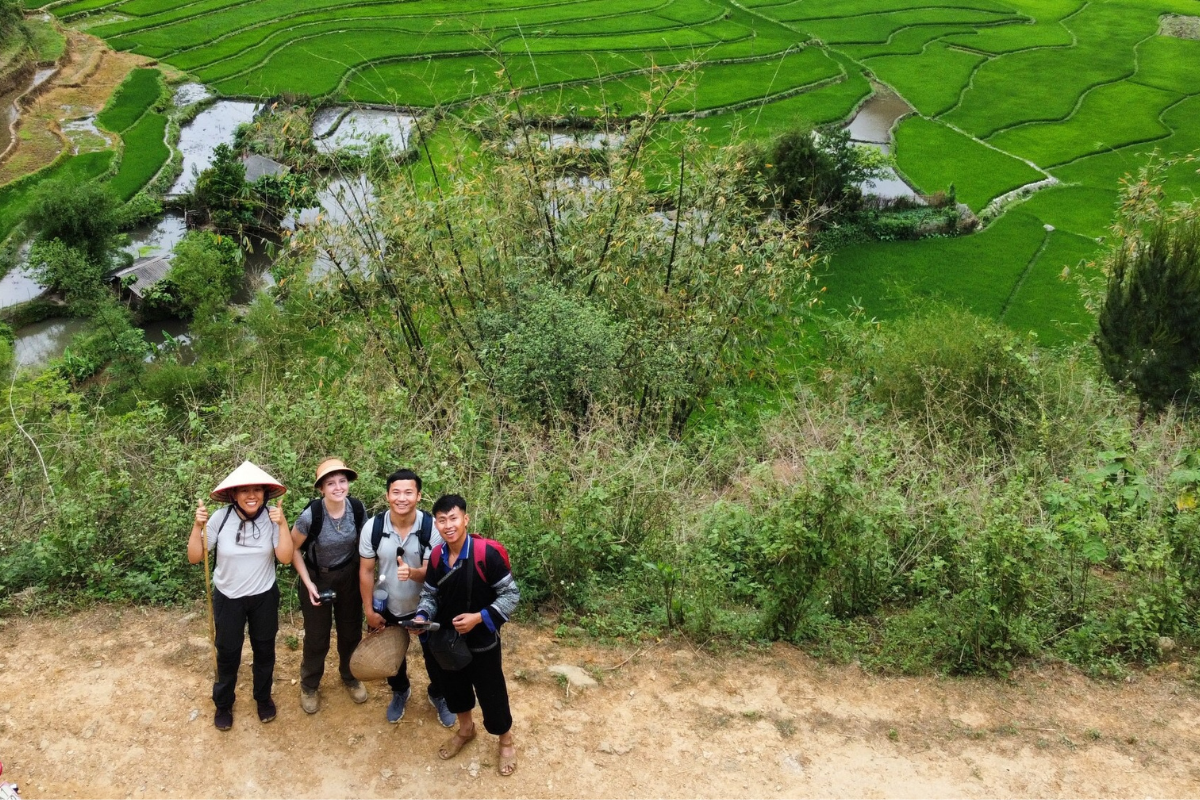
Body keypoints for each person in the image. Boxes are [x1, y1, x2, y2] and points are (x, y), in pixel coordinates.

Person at [414, 494, 520, 777]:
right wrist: (423, 615)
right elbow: (430, 594)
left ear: (465, 519)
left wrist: (479, 618)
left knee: (491, 691)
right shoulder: (437, 556)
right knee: (454, 687)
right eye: (442, 520)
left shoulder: (486, 554)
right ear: (436, 524)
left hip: (482, 640)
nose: (448, 525)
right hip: (447, 640)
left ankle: (506, 741)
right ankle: (466, 729)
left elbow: (511, 594)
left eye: (453, 518)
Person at [187, 460, 293, 731]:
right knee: (227, 652)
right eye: (244, 490)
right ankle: (223, 703)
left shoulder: (272, 517)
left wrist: (282, 525)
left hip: (264, 596)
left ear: (265, 493)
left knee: (264, 649)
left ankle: (263, 697)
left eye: (257, 489)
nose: (251, 495)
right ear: (233, 495)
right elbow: (195, 557)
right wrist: (198, 527)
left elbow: (285, 558)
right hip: (228, 597)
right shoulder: (220, 519)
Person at [358, 469, 455, 726]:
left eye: (409, 492)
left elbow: (431, 573)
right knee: (393, 657)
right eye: (396, 492)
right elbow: (366, 570)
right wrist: (369, 609)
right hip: (388, 605)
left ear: (419, 496)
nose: (402, 498)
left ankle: (439, 693)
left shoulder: (431, 528)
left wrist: (411, 572)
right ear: (387, 495)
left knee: (435, 656)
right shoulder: (374, 527)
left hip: (426, 605)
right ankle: (400, 691)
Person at [291, 458, 369, 713]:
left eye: (342, 481)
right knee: (316, 636)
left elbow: (366, 546)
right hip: (317, 577)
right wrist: (308, 583)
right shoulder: (311, 515)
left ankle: (349, 675)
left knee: (350, 632)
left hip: (349, 576)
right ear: (321, 488)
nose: (338, 487)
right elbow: (292, 549)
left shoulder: (357, 509)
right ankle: (310, 684)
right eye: (330, 483)